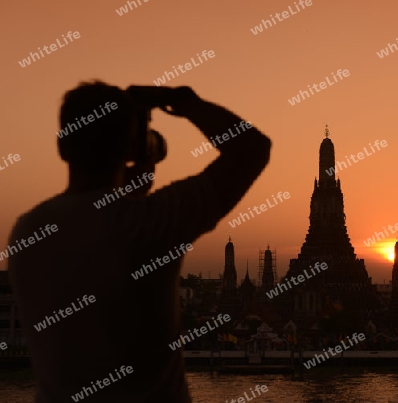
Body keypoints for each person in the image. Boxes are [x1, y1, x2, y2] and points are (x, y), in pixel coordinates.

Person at [7, 81, 271, 402]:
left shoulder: (27, 229)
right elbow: (251, 149)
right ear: (135, 149)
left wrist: (127, 192)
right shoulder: (152, 222)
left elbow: (93, 232)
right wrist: (184, 101)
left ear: (62, 147)